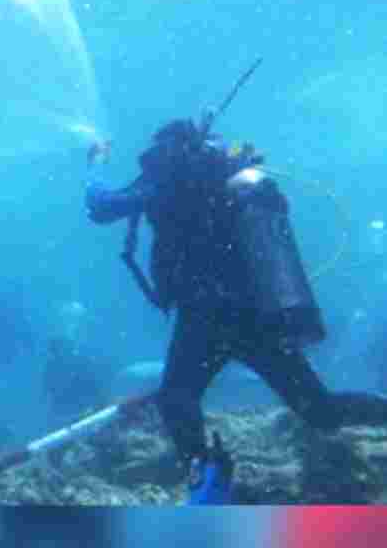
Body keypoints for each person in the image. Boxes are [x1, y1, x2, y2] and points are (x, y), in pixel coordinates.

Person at [85, 117, 387, 504]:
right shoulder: (224, 174)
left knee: (177, 397)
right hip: (257, 315)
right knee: (320, 409)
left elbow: (101, 206)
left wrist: (95, 163)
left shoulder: (167, 176)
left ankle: (206, 480)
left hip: (204, 318)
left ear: (167, 149)